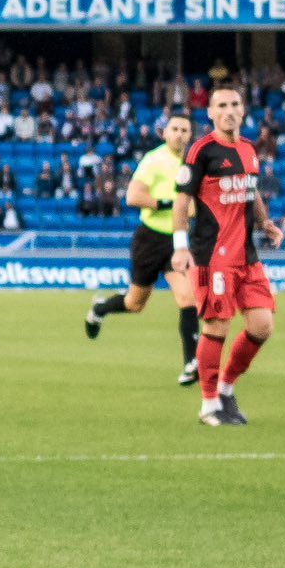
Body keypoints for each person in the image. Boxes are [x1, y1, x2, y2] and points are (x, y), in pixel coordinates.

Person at [172, 84, 282, 427]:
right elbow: (180, 202)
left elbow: (251, 191)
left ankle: (227, 387)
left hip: (247, 256)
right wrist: (179, 246)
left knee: (262, 326)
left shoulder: (249, 150)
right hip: (213, 256)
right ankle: (208, 405)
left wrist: (266, 223)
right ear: (211, 112)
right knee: (216, 327)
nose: (229, 110)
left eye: (235, 104)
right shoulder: (201, 151)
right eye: (222, 105)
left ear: (243, 109)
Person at [84, 111, 200, 383]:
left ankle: (191, 363)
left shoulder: (195, 161)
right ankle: (100, 308)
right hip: (150, 240)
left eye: (185, 130)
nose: (180, 134)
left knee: (188, 298)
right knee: (135, 303)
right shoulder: (154, 159)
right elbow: (134, 196)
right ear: (165, 132)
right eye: (175, 129)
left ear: (190, 135)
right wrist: (170, 205)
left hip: (178, 241)